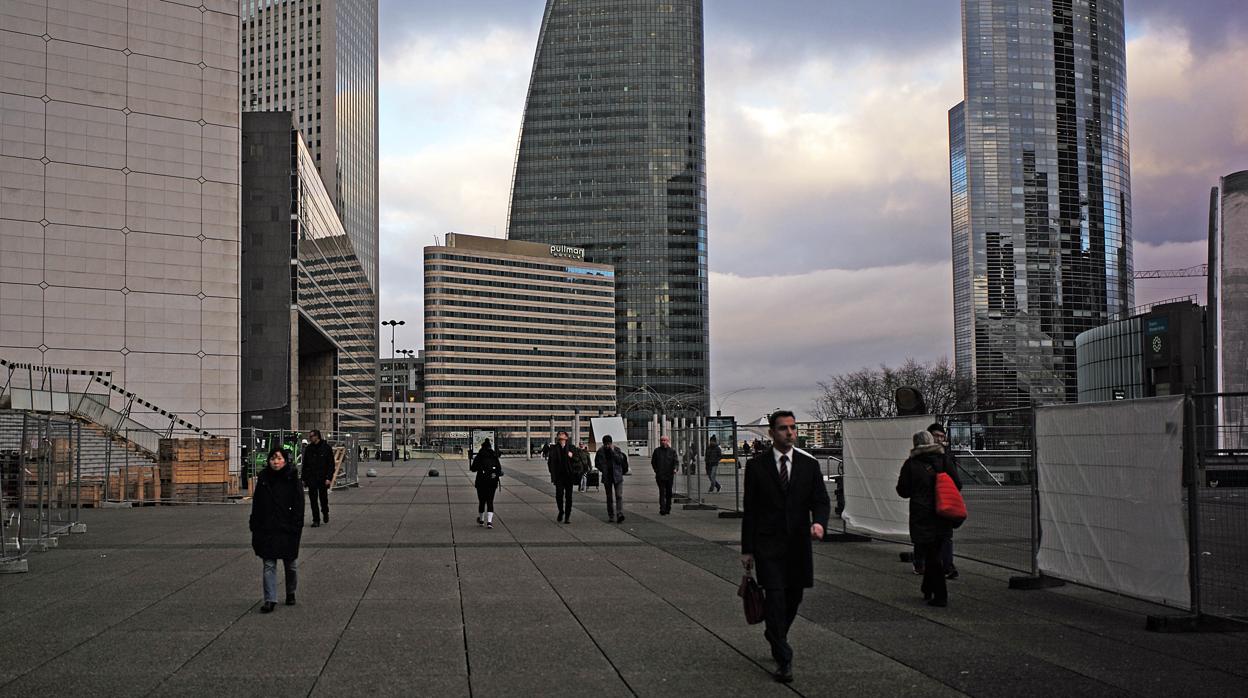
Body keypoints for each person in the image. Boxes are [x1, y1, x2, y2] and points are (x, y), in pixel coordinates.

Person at [741, 410, 830, 683]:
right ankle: (784, 657)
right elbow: (751, 510)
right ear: (771, 433)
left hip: (799, 543)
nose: (789, 432)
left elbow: (820, 500)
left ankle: (774, 632)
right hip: (768, 544)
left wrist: (820, 523)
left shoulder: (808, 465)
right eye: (783, 428)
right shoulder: (757, 467)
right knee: (776, 598)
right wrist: (747, 550)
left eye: (792, 428)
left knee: (794, 597)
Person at [896, 430, 962, 608]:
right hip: (944, 512)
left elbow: (903, 491)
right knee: (936, 551)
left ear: (915, 444)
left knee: (931, 555)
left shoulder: (911, 464)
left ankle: (940, 595)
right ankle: (927, 587)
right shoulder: (944, 460)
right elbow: (958, 484)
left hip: (922, 515)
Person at [249, 447, 304, 613]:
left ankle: (290, 591)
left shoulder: (293, 478)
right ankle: (270, 599)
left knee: (290, 564)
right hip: (268, 526)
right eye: (273, 458)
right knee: (269, 564)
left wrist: (296, 524)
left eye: (279, 458)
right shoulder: (264, 478)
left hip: (287, 526)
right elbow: (257, 502)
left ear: (285, 460)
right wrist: (255, 523)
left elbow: (299, 504)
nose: (275, 462)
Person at [928, 422, 959, 580]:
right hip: (936, 501)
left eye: (942, 436)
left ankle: (945, 566)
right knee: (941, 536)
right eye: (936, 436)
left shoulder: (944, 456)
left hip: (941, 501)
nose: (939, 439)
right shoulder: (945, 456)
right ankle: (944, 565)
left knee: (943, 536)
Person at [301, 430, 334, 527]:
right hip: (312, 478)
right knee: (313, 500)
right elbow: (305, 464)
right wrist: (304, 478)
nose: (310, 438)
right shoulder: (309, 449)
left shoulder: (326, 448)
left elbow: (331, 464)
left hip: (323, 478)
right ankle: (316, 519)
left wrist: (329, 477)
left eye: (312, 436)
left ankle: (325, 512)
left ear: (317, 436)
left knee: (323, 498)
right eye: (309, 436)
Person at [470, 439, 503, 529]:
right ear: (490, 447)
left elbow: (473, 469)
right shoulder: (494, 456)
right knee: (490, 501)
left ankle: (481, 520)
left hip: (481, 482)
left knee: (481, 501)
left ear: (482, 447)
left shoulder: (479, 456)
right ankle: (489, 522)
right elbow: (499, 469)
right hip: (492, 482)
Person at [547, 431, 578, 523]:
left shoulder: (571, 448)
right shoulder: (554, 449)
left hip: (569, 476)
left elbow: (577, 460)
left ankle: (567, 516)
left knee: (569, 497)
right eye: (559, 436)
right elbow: (550, 462)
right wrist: (552, 472)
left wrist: (572, 456)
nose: (560, 438)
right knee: (559, 495)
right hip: (559, 476)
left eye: (562, 435)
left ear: (566, 438)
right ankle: (561, 511)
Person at [596, 435, 627, 523]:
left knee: (619, 495)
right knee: (609, 497)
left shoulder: (616, 449)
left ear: (611, 443)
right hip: (607, 477)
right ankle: (611, 515)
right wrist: (603, 469)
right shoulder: (600, 451)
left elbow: (620, 460)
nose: (607, 446)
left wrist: (613, 451)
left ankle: (619, 514)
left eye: (608, 444)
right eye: (605, 444)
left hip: (617, 476)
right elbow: (597, 463)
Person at [651, 435, 678, 515]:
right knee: (662, 492)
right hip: (660, 475)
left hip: (669, 475)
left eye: (664, 440)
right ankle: (662, 508)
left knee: (669, 492)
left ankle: (668, 507)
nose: (663, 442)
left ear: (668, 441)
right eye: (662, 440)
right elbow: (653, 462)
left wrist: (675, 468)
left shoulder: (672, 451)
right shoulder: (657, 451)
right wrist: (656, 470)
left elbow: (675, 461)